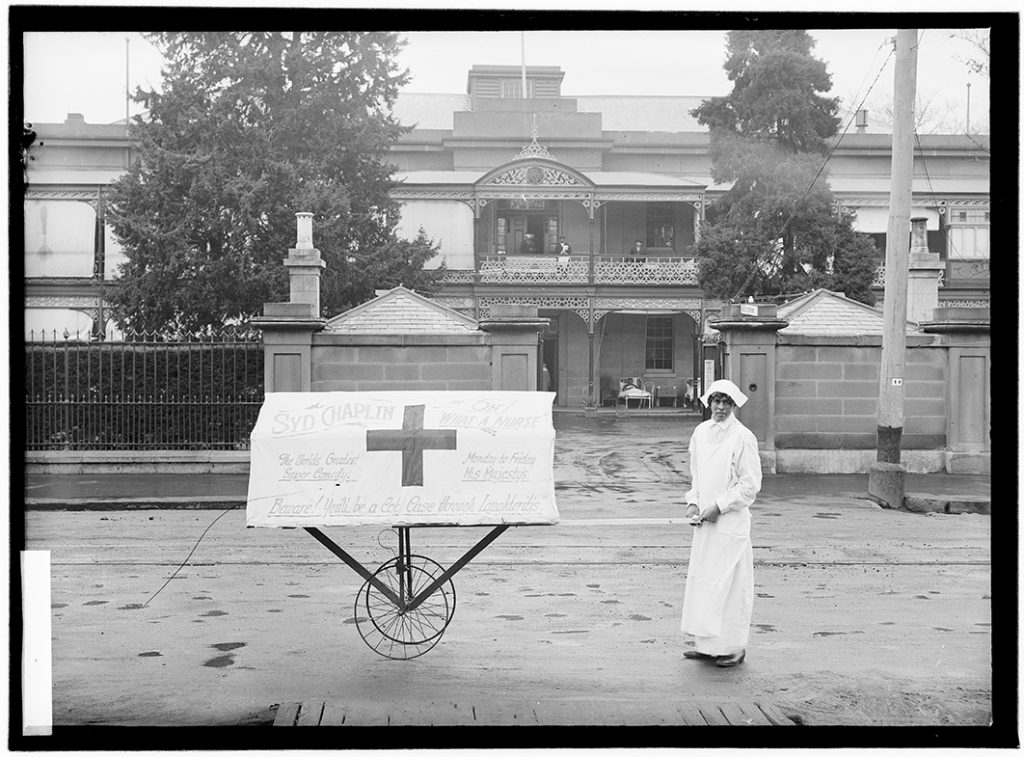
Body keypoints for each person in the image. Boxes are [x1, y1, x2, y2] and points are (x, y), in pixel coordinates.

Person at [680, 378, 762, 668]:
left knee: (730, 586)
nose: (720, 407)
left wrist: (720, 506)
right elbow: (697, 476)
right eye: (716, 400)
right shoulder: (701, 433)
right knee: (705, 583)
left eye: (726, 402)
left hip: (731, 525)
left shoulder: (743, 437)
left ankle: (733, 647)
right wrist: (694, 500)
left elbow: (750, 486)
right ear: (708, 402)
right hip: (705, 524)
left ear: (734, 405)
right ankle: (707, 645)